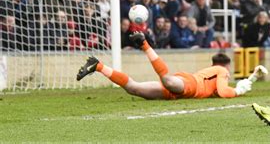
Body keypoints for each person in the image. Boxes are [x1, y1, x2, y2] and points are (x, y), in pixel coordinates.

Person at [77, 33, 259, 100]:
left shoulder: (211, 70)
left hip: (181, 89)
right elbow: (223, 91)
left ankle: (98, 65)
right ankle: (145, 45)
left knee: (134, 89)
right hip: (190, 86)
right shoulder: (222, 71)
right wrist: (238, 91)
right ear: (225, 65)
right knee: (168, 80)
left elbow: (217, 90)